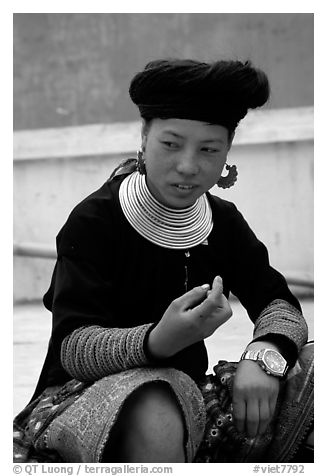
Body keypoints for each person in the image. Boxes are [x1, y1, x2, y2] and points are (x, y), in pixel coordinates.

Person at [13, 58, 313, 463]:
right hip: (85, 398)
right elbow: (74, 346)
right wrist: (158, 340)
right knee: (154, 397)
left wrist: (265, 356)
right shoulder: (95, 220)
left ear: (227, 154)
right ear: (144, 137)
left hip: (186, 399)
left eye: (209, 149)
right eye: (171, 144)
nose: (188, 166)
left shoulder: (221, 221)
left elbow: (278, 304)